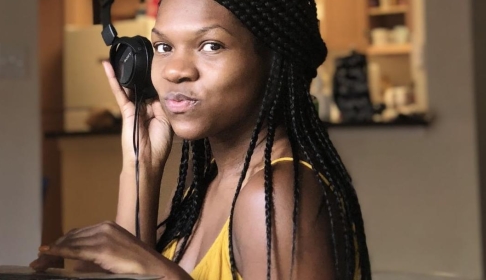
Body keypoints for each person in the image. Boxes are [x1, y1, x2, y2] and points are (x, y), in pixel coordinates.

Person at [31, 0, 371, 279]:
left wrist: (168, 277)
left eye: (211, 45)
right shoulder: (208, 182)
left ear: (273, 62)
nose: (174, 70)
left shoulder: (272, 195)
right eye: (163, 46)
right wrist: (142, 166)